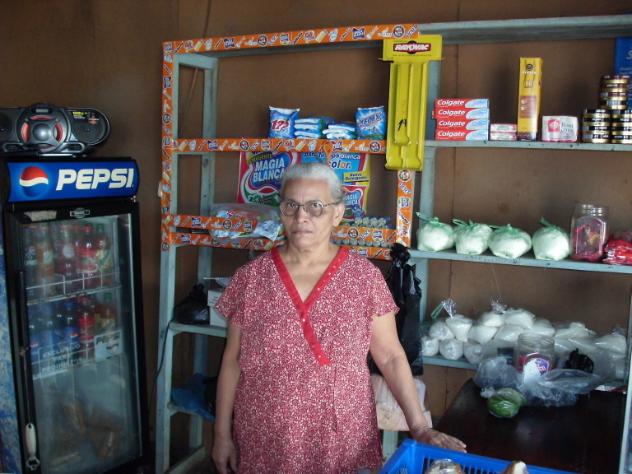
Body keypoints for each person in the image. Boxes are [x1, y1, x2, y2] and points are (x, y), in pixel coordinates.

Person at [212, 162, 465, 474]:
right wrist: (221, 435)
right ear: (281, 210)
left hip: (340, 436)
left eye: (315, 207)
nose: (301, 217)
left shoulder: (363, 278)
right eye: (291, 205)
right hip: (265, 435)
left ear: (337, 213)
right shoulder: (250, 279)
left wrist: (419, 426)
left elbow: (390, 356)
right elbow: (232, 360)